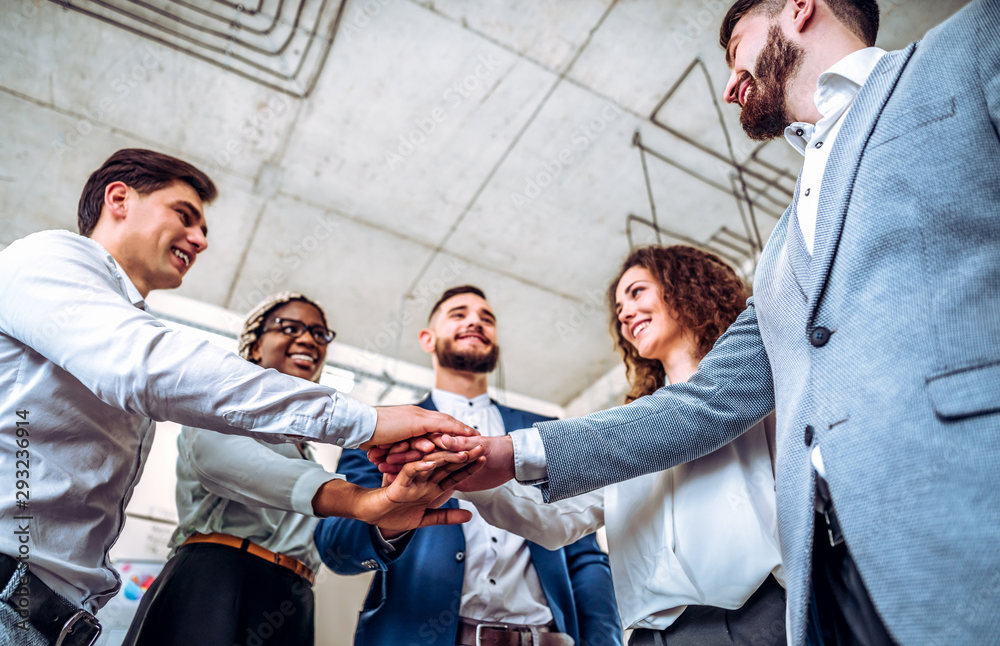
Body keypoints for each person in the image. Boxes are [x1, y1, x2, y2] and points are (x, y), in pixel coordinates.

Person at [381, 0, 1000, 644]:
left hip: (913, 531)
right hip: (773, 600)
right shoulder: (782, 250)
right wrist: (483, 463)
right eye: (619, 305)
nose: (732, 84)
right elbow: (686, 415)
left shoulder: (965, 47)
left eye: (737, 51)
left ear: (799, 4)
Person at [0, 149, 478, 646]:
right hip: (203, 584)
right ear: (118, 198)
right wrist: (365, 433)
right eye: (185, 216)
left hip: (60, 612)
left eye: (319, 335)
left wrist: (381, 505)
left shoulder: (297, 440)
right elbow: (161, 384)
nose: (201, 240)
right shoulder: (50, 258)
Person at [461, 246, 786, 645]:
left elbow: (695, 412)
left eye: (637, 292)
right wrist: (464, 472)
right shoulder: (623, 433)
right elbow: (555, 518)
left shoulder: (757, 383)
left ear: (685, 287)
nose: (626, 313)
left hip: (759, 617)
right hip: (652, 635)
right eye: (619, 308)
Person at [122, 292, 477, 646]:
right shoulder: (218, 405)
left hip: (294, 594)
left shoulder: (306, 452)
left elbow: (336, 538)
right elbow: (233, 464)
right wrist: (359, 499)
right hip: (218, 580)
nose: (308, 339)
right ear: (256, 345)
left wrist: (393, 503)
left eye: (319, 334)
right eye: (290, 327)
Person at [316, 286, 622, 646]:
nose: (475, 321)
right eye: (459, 314)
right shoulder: (383, 431)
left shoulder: (545, 430)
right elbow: (336, 547)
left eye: (486, 318)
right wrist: (388, 522)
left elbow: (585, 556)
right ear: (427, 339)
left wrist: (605, 640)